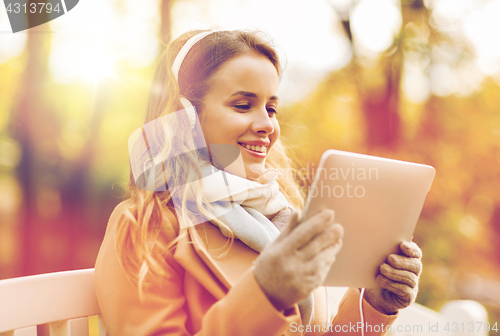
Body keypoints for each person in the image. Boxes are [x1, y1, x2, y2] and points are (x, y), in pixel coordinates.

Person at [94, 29, 423, 336]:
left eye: (271, 108)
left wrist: (374, 305)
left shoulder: (280, 216)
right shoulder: (145, 224)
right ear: (187, 119)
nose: (267, 125)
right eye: (242, 105)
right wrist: (264, 294)